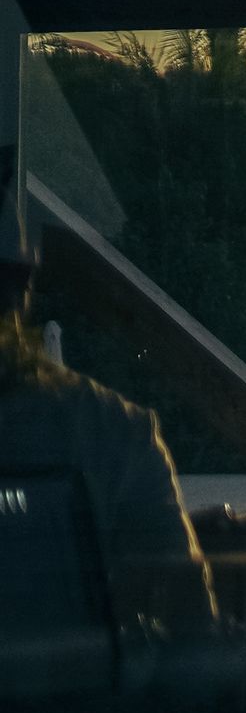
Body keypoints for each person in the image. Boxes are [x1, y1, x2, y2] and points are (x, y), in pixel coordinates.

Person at [0, 228, 215, 633]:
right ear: (24, 289)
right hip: (78, 690)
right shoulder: (113, 431)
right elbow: (190, 620)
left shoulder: (115, 431)